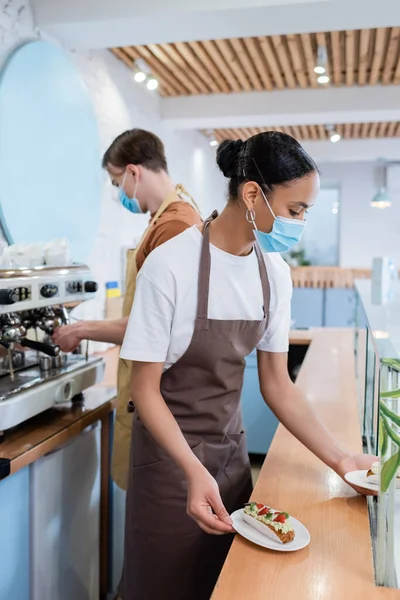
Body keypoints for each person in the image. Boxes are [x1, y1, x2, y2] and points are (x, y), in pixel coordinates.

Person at [117, 131, 375, 600]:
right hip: (169, 468)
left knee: (226, 582)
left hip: (229, 458)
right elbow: (145, 390)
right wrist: (193, 471)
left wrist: (342, 460)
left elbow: (279, 385)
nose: (300, 223)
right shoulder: (169, 266)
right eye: (296, 210)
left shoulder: (273, 274)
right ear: (253, 194)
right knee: (162, 584)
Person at [53, 128, 202, 490]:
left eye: (117, 181)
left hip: (159, 393)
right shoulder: (170, 217)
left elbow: (148, 326)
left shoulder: (174, 226)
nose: (120, 192)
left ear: (134, 172)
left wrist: (80, 329)